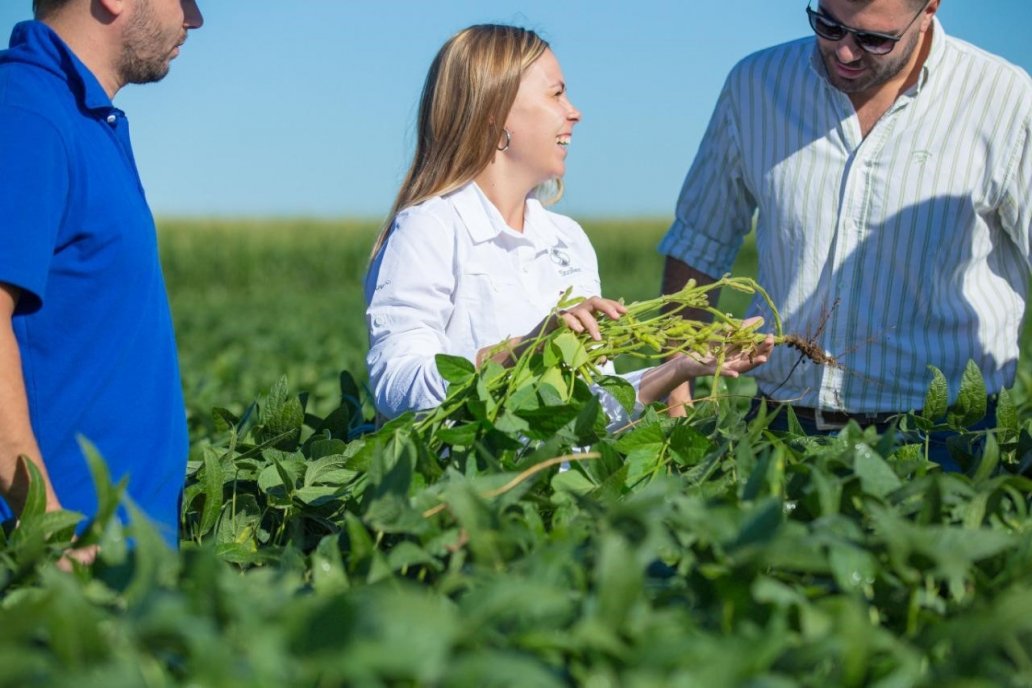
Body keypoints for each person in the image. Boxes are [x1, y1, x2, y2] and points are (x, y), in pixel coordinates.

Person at [659, 0, 1031, 467]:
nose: (846, 53)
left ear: (930, 9)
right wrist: (676, 400)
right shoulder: (756, 86)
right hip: (781, 425)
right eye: (828, 26)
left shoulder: (1005, 99)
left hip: (949, 434)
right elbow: (699, 246)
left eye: (875, 39)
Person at [365, 24, 773, 428]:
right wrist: (528, 347)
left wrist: (680, 368)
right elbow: (397, 386)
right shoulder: (430, 227)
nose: (573, 112)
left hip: (555, 489)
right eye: (556, 94)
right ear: (496, 111)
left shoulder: (567, 239)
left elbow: (590, 409)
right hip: (466, 488)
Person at [0, 0, 204, 552]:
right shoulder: (27, 114)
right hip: (65, 568)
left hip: (117, 563)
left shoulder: (82, 118)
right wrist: (45, 527)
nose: (194, 18)